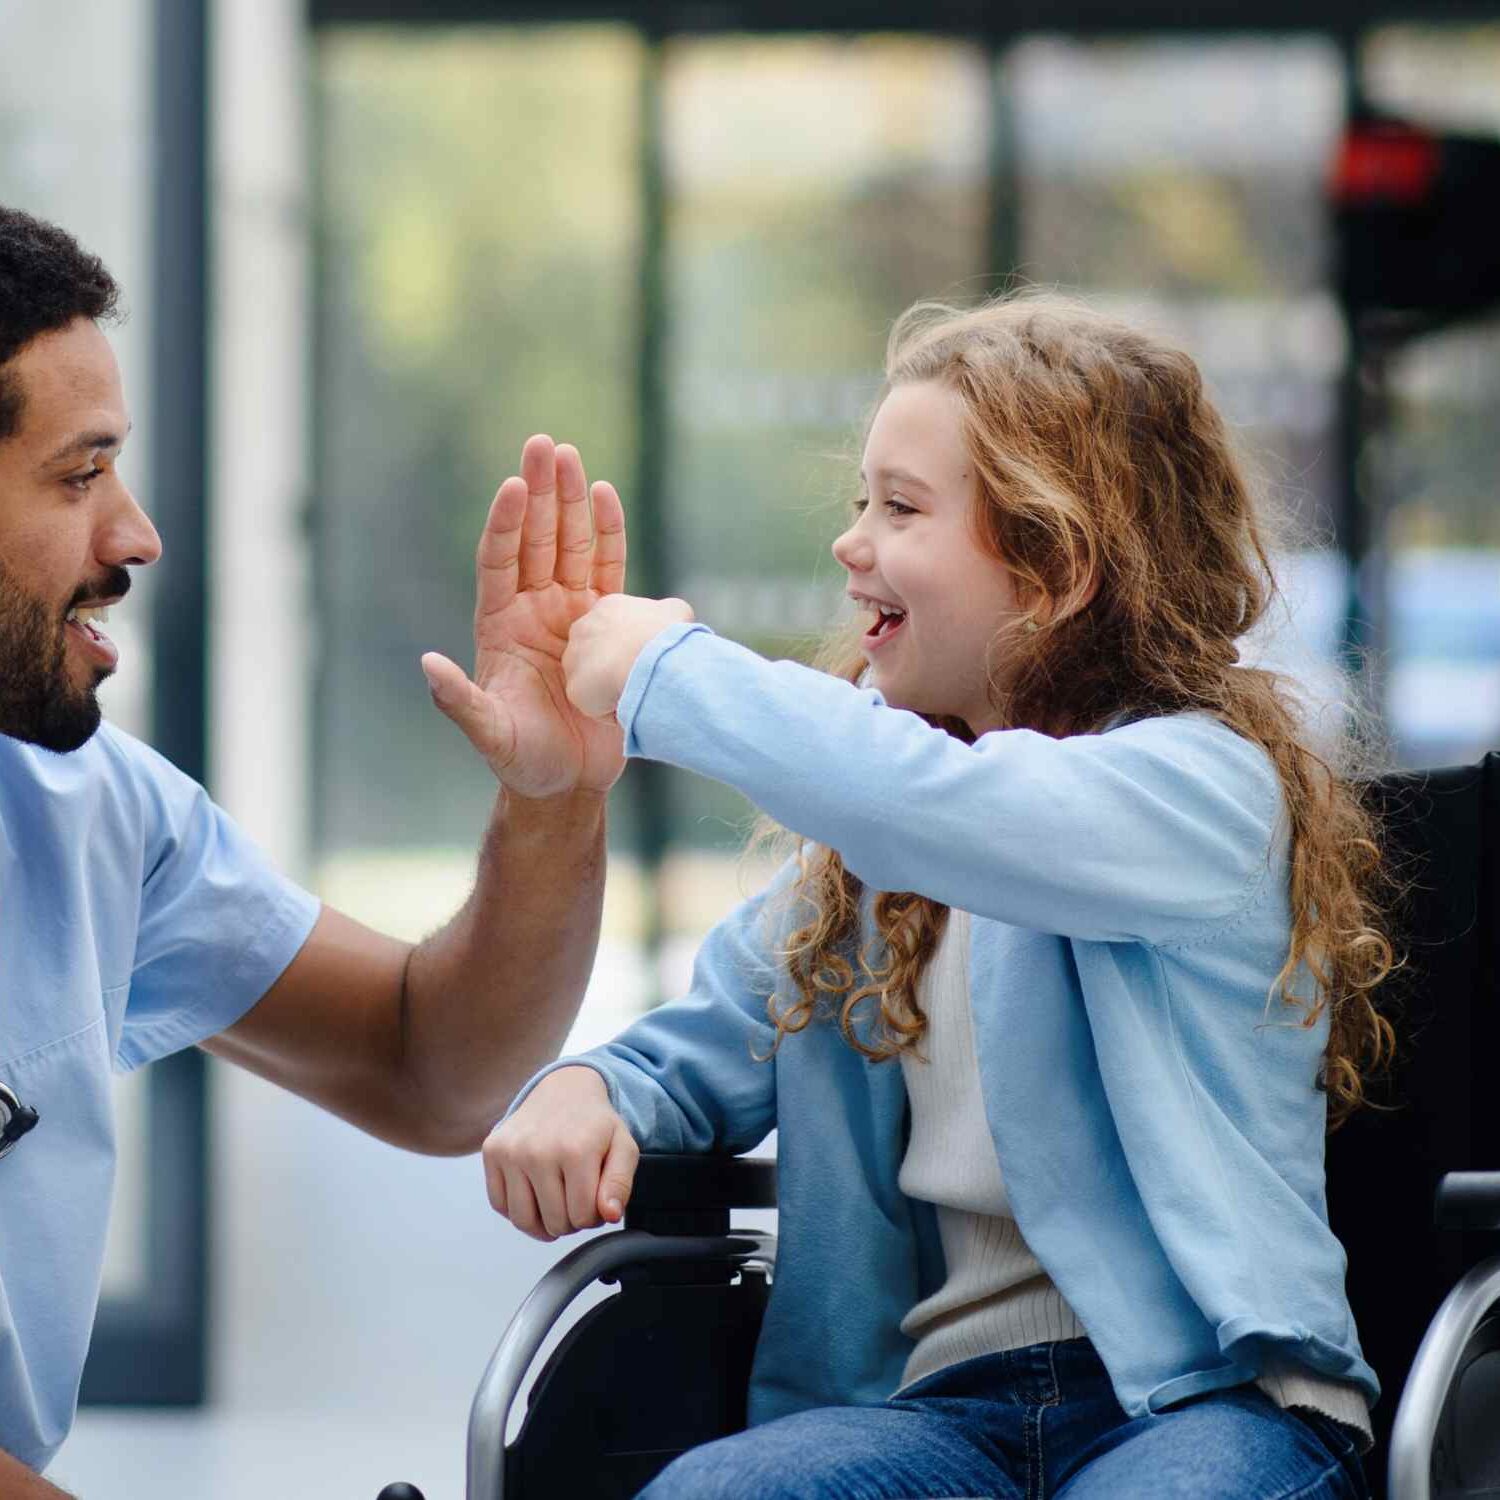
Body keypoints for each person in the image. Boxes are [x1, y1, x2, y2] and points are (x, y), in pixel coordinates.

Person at [484, 293, 1398, 1499]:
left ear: (1059, 563)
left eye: (901, 507)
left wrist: (667, 672)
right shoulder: (869, 870)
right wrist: (587, 1086)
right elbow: (701, 1045)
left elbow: (959, 812)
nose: (850, 542)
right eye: (859, 501)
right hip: (938, 1418)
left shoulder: (1198, 789)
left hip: (1202, 1405)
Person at [0, 204, 630, 1497]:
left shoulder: (98, 816)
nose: (135, 537)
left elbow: (431, 1065)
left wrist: (550, 798)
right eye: (80, 475)